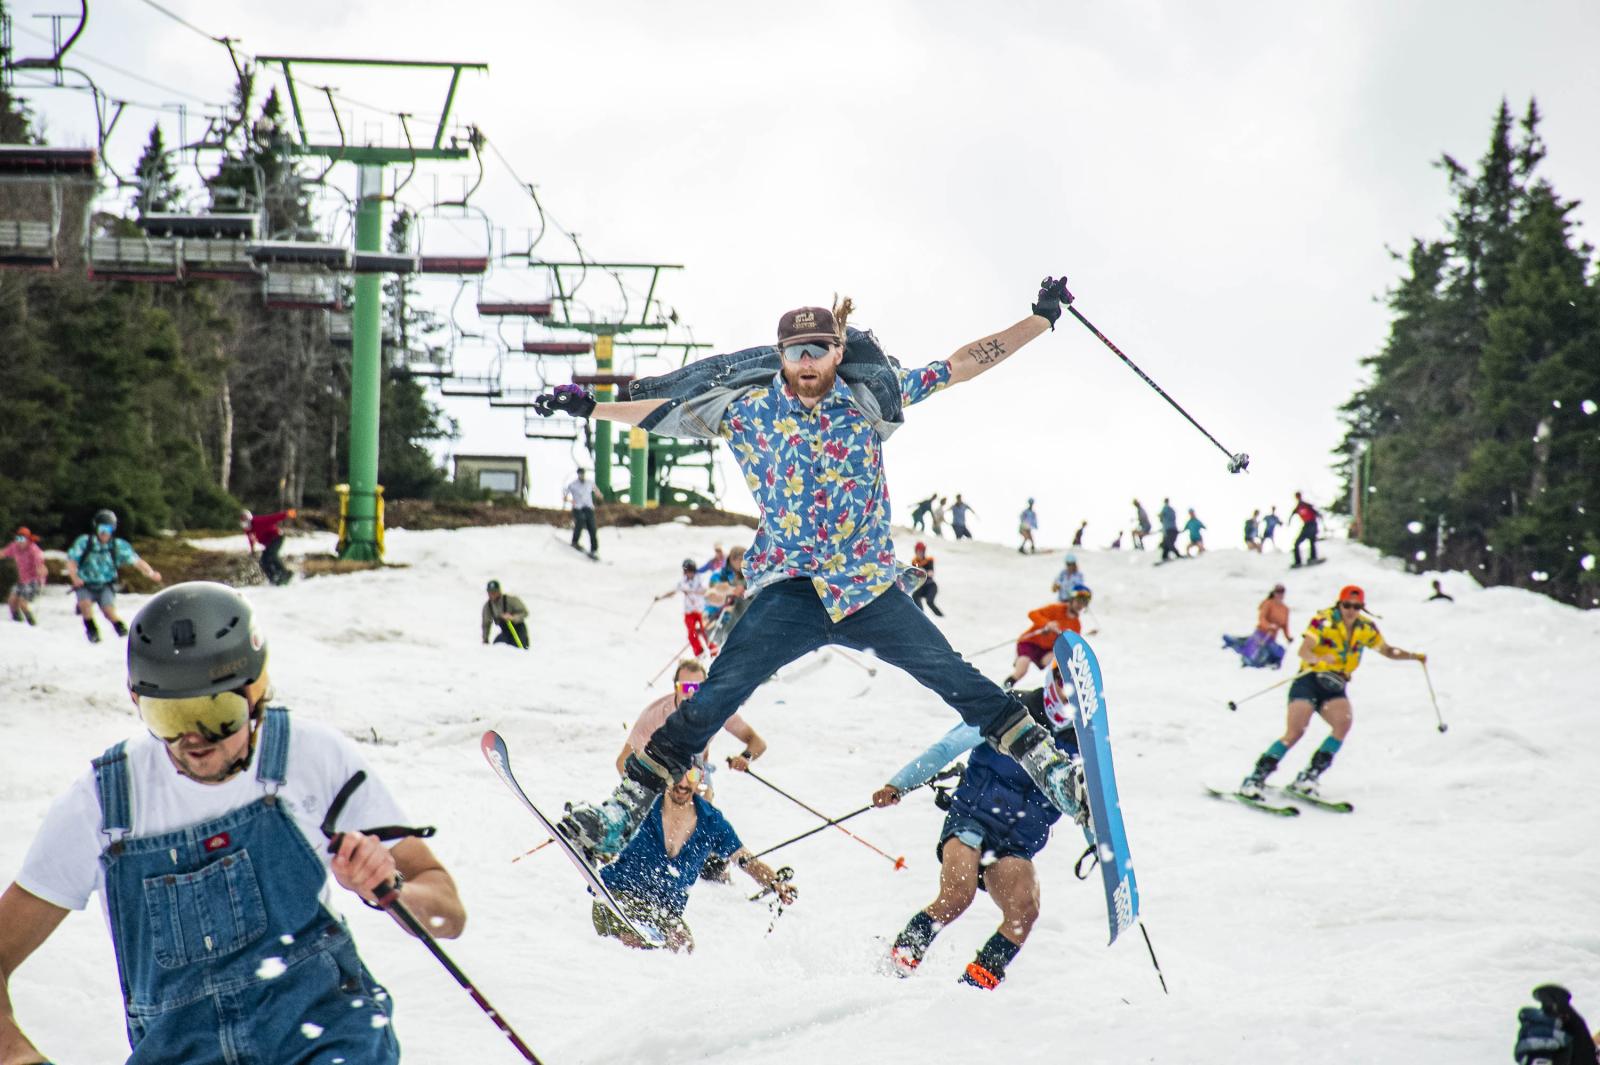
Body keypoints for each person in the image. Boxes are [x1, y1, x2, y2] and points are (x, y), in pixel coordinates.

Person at [536, 284, 1090, 859]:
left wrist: (1040, 321)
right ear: (780, 355)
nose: (807, 363)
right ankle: (620, 815)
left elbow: (961, 365)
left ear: (836, 350)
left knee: (956, 678)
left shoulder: (872, 395)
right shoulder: (742, 410)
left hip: (868, 588)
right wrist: (591, 408)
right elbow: (659, 410)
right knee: (713, 698)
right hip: (791, 592)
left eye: (818, 350)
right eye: (795, 351)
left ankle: (1055, 776)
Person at [0, 582, 466, 1065]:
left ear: (256, 692)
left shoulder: (313, 759)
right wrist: (15, 1055)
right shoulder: (104, 805)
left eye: (217, 714)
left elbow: (448, 912)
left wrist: (390, 888)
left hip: (327, 1039)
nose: (193, 740)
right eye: (168, 714)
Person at [875, 667, 1080, 989]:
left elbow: (1088, 808)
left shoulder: (1083, 747)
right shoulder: (1008, 709)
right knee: (958, 895)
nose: (1069, 700)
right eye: (1065, 689)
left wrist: (1101, 843)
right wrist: (898, 785)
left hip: (1015, 844)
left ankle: (972, 991)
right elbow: (946, 748)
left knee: (1024, 913)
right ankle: (896, 965)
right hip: (973, 820)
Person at [1238, 584, 1426, 798]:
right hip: (1309, 680)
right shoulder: (1324, 620)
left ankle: (1310, 776)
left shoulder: (1366, 628)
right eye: (1347, 605)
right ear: (1340, 603)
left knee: (1343, 724)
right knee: (1296, 731)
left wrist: (1414, 656)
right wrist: (1318, 659)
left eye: (1356, 606)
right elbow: (1304, 650)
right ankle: (1256, 777)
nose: (1351, 610)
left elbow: (1386, 650)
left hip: (1335, 685)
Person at [593, 767, 795, 953]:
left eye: (693, 776)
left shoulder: (711, 822)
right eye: (679, 774)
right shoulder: (644, 804)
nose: (684, 783)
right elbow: (609, 824)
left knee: (684, 947)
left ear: (700, 778)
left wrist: (775, 883)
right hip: (618, 897)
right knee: (634, 944)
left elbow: (747, 860)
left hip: (663, 912)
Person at [616, 659, 767, 797]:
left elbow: (757, 742)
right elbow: (622, 760)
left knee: (704, 799)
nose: (691, 693)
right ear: (676, 688)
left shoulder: (716, 709)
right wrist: (643, 788)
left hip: (696, 770)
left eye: (698, 687)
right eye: (686, 686)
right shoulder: (654, 715)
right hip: (660, 770)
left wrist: (745, 757)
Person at [64, 509, 162, 644]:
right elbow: (71, 561)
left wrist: (150, 573)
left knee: (108, 611)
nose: (105, 532)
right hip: (85, 583)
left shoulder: (118, 546)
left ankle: (123, 633)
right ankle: (92, 632)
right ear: (96, 528)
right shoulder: (84, 542)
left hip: (106, 584)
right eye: (102, 528)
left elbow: (136, 561)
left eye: (108, 529)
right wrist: (75, 578)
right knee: (85, 605)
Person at [1004, 590, 1089, 688]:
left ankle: (1056, 690)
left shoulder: (1076, 624)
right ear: (1072, 600)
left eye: (1083, 603)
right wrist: (1046, 623)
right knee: (1022, 669)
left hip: (1046, 651)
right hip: (1030, 642)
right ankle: (1004, 688)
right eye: (1078, 601)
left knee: (1058, 660)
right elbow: (1032, 614)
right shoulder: (1056, 609)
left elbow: (1070, 645)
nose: (1080, 605)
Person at [1222, 583, 1291, 669]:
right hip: (1261, 633)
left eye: (1282, 592)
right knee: (1253, 649)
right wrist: (1269, 625)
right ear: (1274, 593)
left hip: (1271, 638)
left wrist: (1288, 637)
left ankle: (1273, 664)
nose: (1280, 594)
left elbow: (1285, 625)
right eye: (1278, 592)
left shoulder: (1285, 609)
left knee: (1279, 652)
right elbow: (1261, 618)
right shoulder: (1268, 603)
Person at [656, 558, 712, 657]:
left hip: (700, 610)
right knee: (691, 633)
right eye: (687, 571)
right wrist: (660, 598)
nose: (689, 574)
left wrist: (690, 591)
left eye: (691, 571)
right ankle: (699, 653)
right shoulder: (682, 582)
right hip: (689, 612)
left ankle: (713, 650)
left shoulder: (700, 578)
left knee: (705, 630)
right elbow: (673, 592)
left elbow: (705, 590)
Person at [705, 546, 750, 646]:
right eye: (742, 559)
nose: (745, 563)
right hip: (721, 623)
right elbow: (711, 594)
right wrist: (731, 591)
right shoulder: (720, 574)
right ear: (733, 559)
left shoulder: (749, 574)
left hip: (746, 622)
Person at [2, 526, 46, 626]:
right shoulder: (14, 547)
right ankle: (17, 622)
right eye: (18, 539)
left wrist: (41, 570)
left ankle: (32, 624)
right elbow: (3, 553)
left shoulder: (33, 549)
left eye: (22, 539)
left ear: (28, 539)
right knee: (12, 601)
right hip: (22, 580)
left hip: (33, 581)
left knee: (22, 603)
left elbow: (40, 564)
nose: (19, 542)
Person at [242, 507, 297, 585]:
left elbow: (274, 518)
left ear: (250, 519)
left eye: (246, 520)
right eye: (243, 522)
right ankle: (273, 578)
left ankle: (285, 573)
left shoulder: (259, 521)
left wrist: (287, 513)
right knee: (263, 561)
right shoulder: (247, 528)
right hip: (269, 543)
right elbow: (250, 537)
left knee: (271, 555)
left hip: (277, 538)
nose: (245, 524)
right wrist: (252, 549)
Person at [482, 578, 530, 649]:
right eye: (490, 592)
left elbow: (525, 612)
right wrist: (485, 639)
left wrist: (513, 617)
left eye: (494, 592)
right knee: (497, 646)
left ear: (499, 591)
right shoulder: (488, 607)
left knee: (519, 649)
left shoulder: (511, 600)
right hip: (505, 632)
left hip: (518, 630)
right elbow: (486, 624)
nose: (492, 594)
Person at [564, 468, 599, 558]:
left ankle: (594, 549)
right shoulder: (573, 485)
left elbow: (597, 491)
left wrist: (599, 495)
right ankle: (575, 541)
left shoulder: (590, 483)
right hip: (578, 508)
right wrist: (570, 500)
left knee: (592, 527)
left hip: (588, 508)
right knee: (580, 520)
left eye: (583, 474)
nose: (582, 475)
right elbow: (565, 495)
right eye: (580, 474)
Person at [910, 541, 944, 617]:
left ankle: (940, 616)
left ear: (924, 551)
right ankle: (921, 615)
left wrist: (924, 571)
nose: (920, 553)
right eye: (918, 551)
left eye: (921, 551)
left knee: (929, 602)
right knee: (915, 596)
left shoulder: (929, 560)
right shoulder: (914, 562)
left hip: (930, 585)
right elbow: (914, 573)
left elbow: (931, 573)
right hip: (922, 586)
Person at [1288, 491, 1321, 568]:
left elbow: (1316, 513)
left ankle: (1313, 558)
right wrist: (1289, 522)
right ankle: (1298, 561)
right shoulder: (1297, 507)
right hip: (1306, 525)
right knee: (1296, 543)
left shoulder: (1306, 505)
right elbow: (1292, 514)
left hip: (1312, 524)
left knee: (1312, 541)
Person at [1157, 498, 1180, 562]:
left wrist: (1160, 516)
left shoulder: (1165, 509)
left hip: (1169, 530)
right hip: (1173, 529)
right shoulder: (1172, 510)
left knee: (1168, 543)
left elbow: (1161, 515)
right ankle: (1164, 556)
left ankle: (1177, 555)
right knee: (1166, 544)